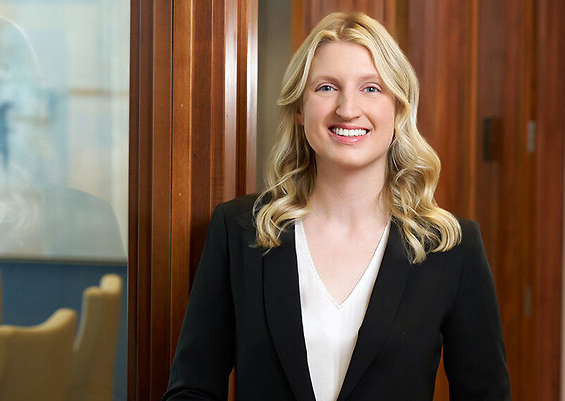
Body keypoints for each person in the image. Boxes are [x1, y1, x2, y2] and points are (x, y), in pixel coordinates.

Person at [162, 12, 510, 401]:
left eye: (371, 88)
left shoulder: (451, 247)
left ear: (398, 110)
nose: (347, 108)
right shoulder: (239, 230)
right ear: (299, 109)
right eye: (327, 87)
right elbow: (191, 391)